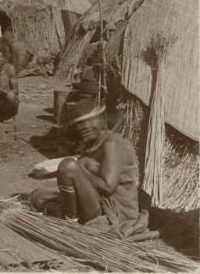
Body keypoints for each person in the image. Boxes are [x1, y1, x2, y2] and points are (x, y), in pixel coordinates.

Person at [31, 99, 148, 237]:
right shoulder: (92, 144)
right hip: (95, 201)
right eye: (79, 123)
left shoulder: (113, 143)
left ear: (103, 121)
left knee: (67, 166)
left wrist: (81, 168)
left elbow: (108, 186)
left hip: (113, 211)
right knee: (37, 196)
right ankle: (68, 215)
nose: (84, 127)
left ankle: (71, 222)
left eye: (90, 120)